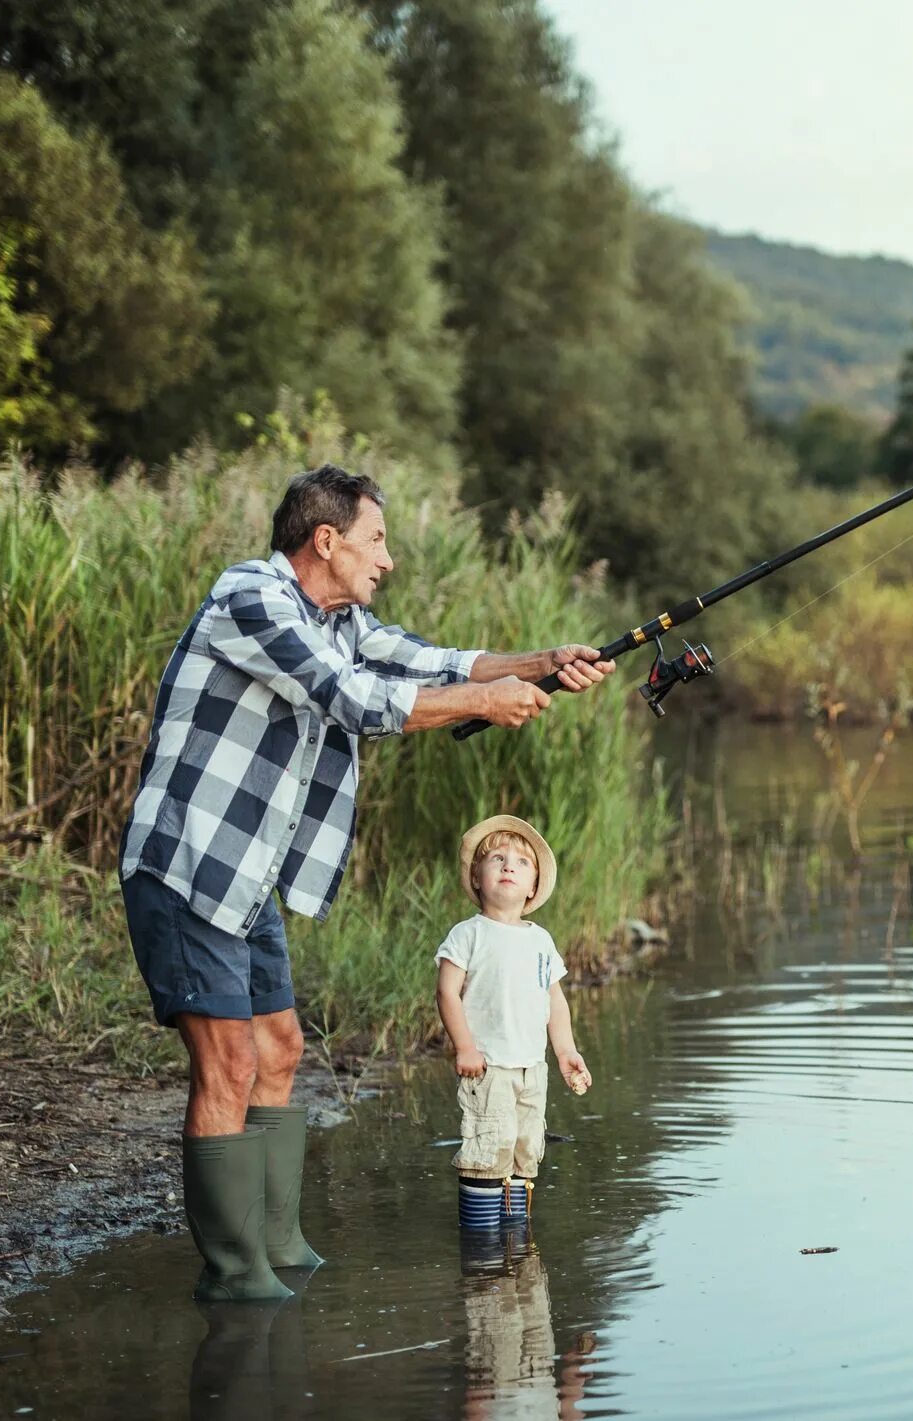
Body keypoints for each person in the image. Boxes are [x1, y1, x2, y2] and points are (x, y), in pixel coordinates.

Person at [119, 463, 615, 1301]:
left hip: (249, 877)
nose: (386, 559)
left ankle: (277, 1242)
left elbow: (433, 659)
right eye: (375, 540)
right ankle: (233, 1272)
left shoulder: (339, 619)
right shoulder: (252, 597)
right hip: (186, 864)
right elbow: (348, 697)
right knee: (229, 1060)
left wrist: (538, 665)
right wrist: (482, 703)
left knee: (280, 1048)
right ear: (326, 539)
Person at [437, 814, 592, 1232]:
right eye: (497, 859)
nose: (509, 866)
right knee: (487, 1151)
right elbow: (447, 992)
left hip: (531, 1070)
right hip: (488, 1068)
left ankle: (516, 1239)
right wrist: (465, 1046)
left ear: (534, 886)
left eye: (522, 862)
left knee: (526, 1150)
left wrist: (565, 1050)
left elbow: (553, 1001)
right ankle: (483, 1248)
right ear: (476, 877)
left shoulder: (540, 940)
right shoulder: (469, 934)